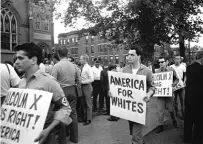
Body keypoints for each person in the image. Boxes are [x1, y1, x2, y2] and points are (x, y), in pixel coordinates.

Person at [14, 42, 72, 144]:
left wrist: (48, 129)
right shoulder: (21, 82)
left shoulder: (49, 81)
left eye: (21, 58)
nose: (16, 62)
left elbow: (65, 108)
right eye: (16, 58)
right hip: (24, 136)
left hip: (46, 136)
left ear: (33, 60)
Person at [110, 46, 155, 144]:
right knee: (133, 132)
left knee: (136, 136)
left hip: (141, 107)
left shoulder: (147, 71)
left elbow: (152, 87)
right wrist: (112, 92)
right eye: (128, 55)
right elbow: (120, 87)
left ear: (138, 56)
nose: (128, 57)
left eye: (132, 55)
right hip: (129, 108)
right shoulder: (124, 70)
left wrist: (148, 94)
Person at [52, 48, 81, 143]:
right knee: (73, 113)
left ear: (58, 54)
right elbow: (79, 80)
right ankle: (74, 138)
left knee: (62, 113)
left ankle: (63, 139)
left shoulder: (56, 66)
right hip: (73, 90)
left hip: (62, 91)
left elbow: (53, 82)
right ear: (67, 54)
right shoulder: (74, 66)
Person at [155, 58, 179, 133]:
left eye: (162, 62)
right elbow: (154, 81)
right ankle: (160, 126)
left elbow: (177, 79)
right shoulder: (156, 71)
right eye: (159, 62)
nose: (161, 64)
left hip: (169, 94)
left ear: (166, 62)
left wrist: (174, 84)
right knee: (160, 111)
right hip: (160, 95)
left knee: (171, 110)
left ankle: (174, 120)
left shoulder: (171, 70)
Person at [184, 52, 203, 144]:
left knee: (188, 120)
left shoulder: (188, 68)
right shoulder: (201, 69)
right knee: (198, 120)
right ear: (201, 59)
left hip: (188, 98)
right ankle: (197, 139)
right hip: (198, 99)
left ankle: (187, 138)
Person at [79, 54, 94, 126]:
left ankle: (89, 119)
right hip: (83, 86)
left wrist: (82, 82)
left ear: (85, 60)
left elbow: (92, 78)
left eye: (81, 59)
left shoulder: (88, 68)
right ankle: (85, 117)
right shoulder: (83, 67)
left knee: (88, 103)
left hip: (87, 86)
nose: (80, 60)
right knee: (83, 103)